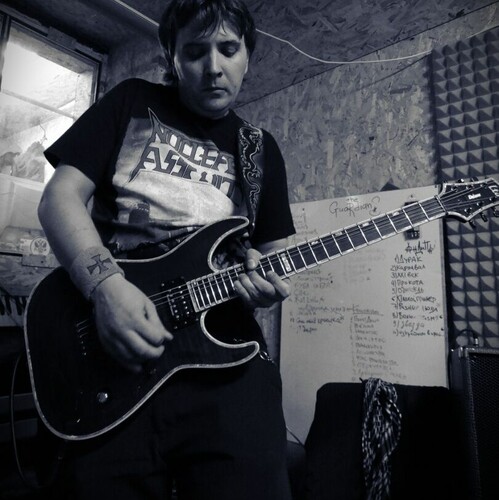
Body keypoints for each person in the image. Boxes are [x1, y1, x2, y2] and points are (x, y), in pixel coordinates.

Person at [38, 0, 295, 498]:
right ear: (171, 58)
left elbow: (272, 256)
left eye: (228, 49)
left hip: (224, 358)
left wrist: (264, 287)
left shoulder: (260, 149)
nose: (213, 67)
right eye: (195, 51)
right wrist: (105, 288)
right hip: (116, 349)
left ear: (248, 56)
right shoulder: (132, 101)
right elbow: (59, 198)